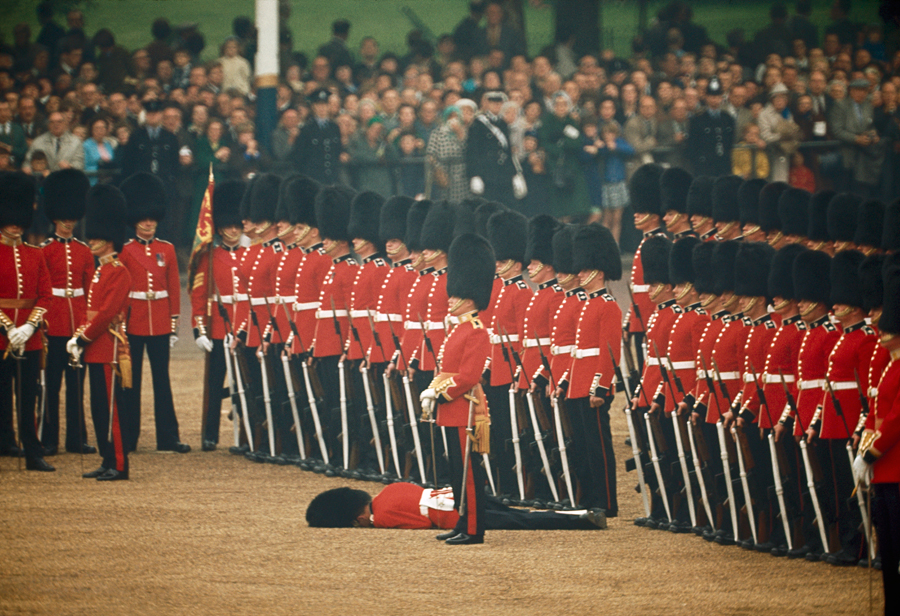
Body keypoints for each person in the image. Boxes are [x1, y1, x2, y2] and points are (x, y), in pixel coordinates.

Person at [419, 231, 495, 544]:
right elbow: (446, 369)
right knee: (456, 472)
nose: (450, 299)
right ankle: (462, 522)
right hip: (451, 409)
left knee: (470, 474)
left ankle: (474, 529)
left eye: (455, 295)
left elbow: (468, 376)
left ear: (470, 296)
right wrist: (433, 391)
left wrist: (439, 392)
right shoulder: (459, 330)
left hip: (464, 409)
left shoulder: (476, 332)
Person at [118, 173, 190, 454]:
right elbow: (122, 291)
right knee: (130, 383)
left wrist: (174, 325)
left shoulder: (167, 250)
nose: (148, 222)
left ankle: (168, 437)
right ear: (134, 218)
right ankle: (129, 436)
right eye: (143, 218)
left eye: (152, 218)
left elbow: (173, 289)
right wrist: (121, 324)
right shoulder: (125, 251)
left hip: (160, 322)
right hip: (134, 321)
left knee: (162, 382)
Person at [68, 184, 132, 481]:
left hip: (108, 348)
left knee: (110, 410)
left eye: (96, 237)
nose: (91, 241)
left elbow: (106, 313)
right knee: (97, 408)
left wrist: (82, 337)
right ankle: (107, 459)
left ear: (109, 240)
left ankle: (119, 463)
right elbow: (89, 311)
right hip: (95, 346)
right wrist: (79, 337)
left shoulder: (118, 271)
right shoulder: (99, 271)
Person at [38, 169, 95, 457]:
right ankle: (49, 440)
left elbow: (90, 291)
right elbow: (43, 292)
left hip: (78, 325)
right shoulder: (44, 251)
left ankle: (77, 439)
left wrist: (86, 325)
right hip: (54, 323)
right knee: (52, 387)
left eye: (72, 218)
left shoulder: (85, 252)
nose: (69, 223)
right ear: (55, 218)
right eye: (64, 218)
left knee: (76, 387)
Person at [0, 172, 54, 471]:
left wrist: (29, 327)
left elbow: (45, 296)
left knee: (28, 395)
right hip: (1, 336)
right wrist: (9, 327)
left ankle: (32, 450)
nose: (15, 224)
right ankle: (5, 441)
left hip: (29, 336)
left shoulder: (34, 255)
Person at [189, 179, 247, 451]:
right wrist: (199, 330)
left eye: (237, 225)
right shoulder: (209, 257)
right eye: (228, 226)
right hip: (218, 328)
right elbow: (199, 296)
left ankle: (248, 433)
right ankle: (210, 433)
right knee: (214, 385)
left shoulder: (251, 255)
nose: (233, 230)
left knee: (247, 383)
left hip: (245, 328)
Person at [856, 263, 900, 615]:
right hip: (885, 468)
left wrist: (870, 454)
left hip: (895, 467)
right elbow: (876, 411)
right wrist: (864, 453)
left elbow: (898, 419)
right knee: (887, 547)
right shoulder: (890, 364)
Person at [306, 483, 607, 530]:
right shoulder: (389, 490)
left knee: (525, 521)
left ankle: (582, 520)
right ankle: (580, 514)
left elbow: (423, 525)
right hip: (464, 495)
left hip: (460, 515)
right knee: (522, 515)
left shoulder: (382, 516)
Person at [290, 88, 344, 185]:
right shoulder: (306, 129)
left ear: (329, 106)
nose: (322, 108)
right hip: (313, 178)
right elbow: (299, 156)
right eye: (319, 105)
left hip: (332, 178)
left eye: (324, 105)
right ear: (313, 107)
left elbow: (337, 150)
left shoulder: (334, 128)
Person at [687, 77, 735, 177]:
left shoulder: (727, 118)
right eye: (712, 96)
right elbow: (692, 144)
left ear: (721, 98)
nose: (714, 100)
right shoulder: (697, 119)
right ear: (706, 97)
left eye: (717, 96)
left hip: (723, 164)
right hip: (704, 166)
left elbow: (730, 141)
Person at [82, 116, 117, 185]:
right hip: (93, 182)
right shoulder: (86, 145)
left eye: (102, 128)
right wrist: (101, 166)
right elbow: (84, 166)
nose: (99, 131)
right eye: (97, 128)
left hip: (109, 182)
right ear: (92, 130)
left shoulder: (108, 145)